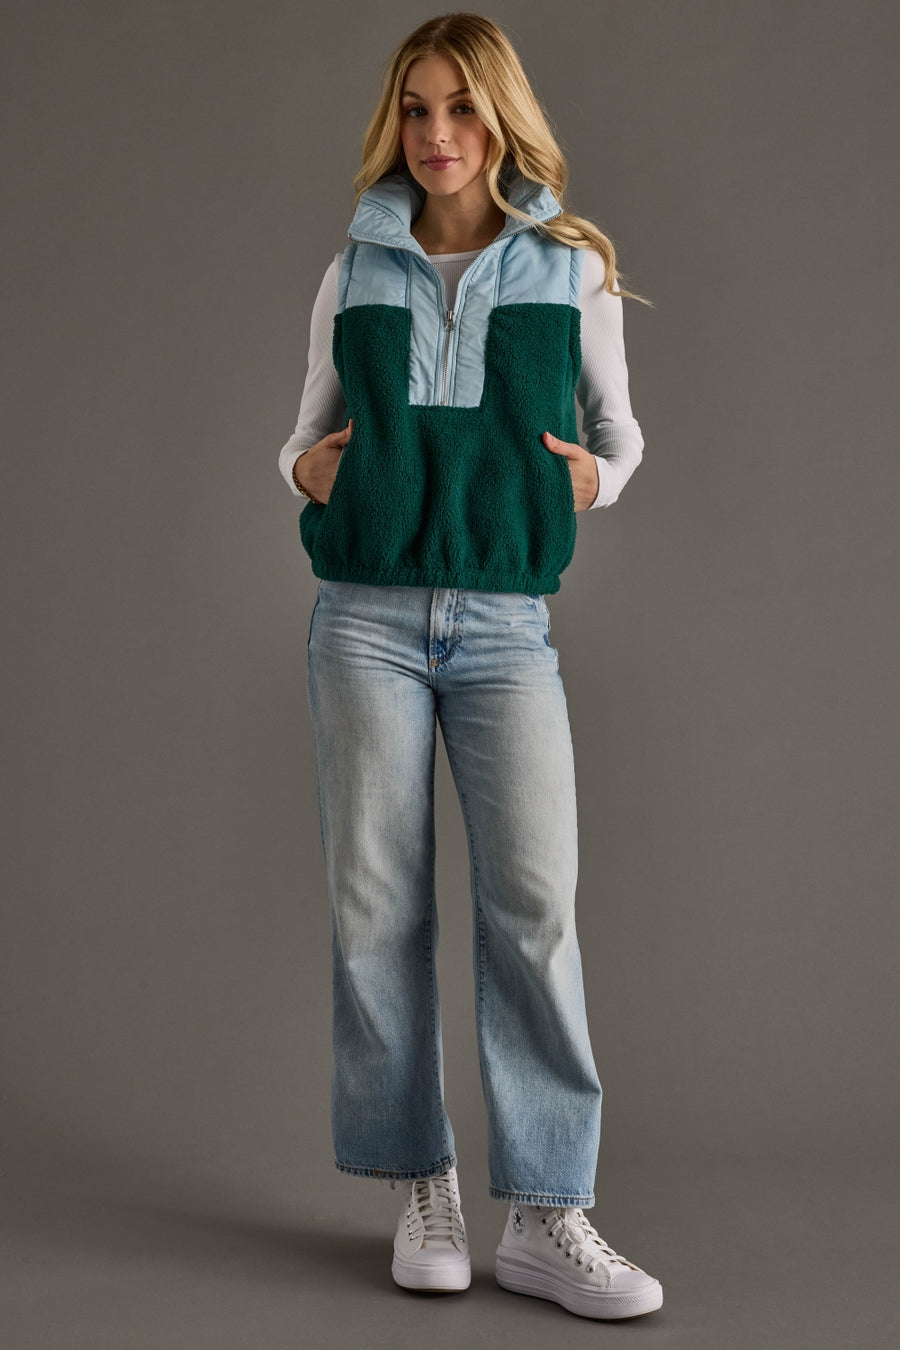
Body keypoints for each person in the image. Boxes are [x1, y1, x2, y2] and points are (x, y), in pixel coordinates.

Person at [278, 11, 662, 1321]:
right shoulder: (357, 267)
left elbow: (623, 434)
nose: (438, 135)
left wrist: (592, 483)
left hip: (505, 629)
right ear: (398, 120)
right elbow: (301, 436)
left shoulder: (570, 268)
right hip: (364, 619)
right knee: (375, 907)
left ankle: (550, 1212)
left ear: (502, 121)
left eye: (463, 110)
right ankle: (420, 1181)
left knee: (535, 910)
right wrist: (300, 469)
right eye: (419, 108)